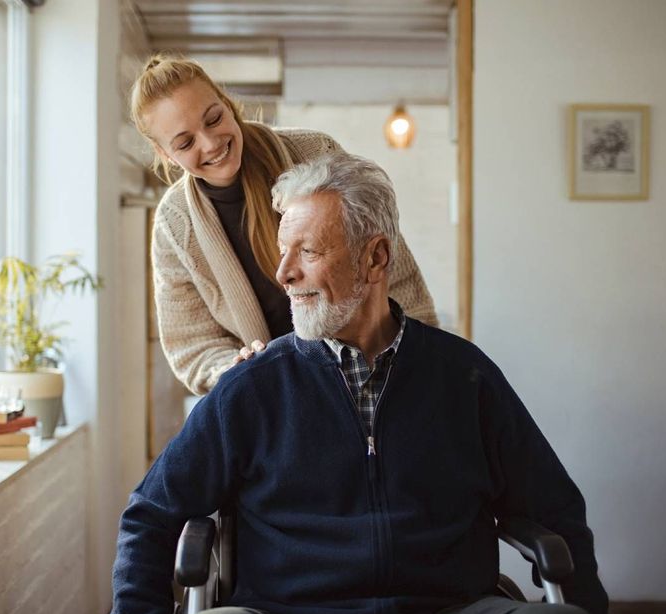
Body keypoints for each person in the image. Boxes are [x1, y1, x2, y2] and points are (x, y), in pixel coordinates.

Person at [106, 153, 613, 614]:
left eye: (307, 251)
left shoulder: (464, 377)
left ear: (375, 257)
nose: (283, 273)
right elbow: (151, 514)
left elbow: (556, 509)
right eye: (283, 252)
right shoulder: (255, 387)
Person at [130, 55, 437, 395]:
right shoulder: (173, 225)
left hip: (371, 373)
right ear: (165, 153)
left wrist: (421, 359)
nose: (210, 143)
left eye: (214, 119)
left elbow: (391, 267)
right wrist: (232, 367)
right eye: (185, 143)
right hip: (275, 396)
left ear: (228, 103)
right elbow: (192, 344)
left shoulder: (316, 152)